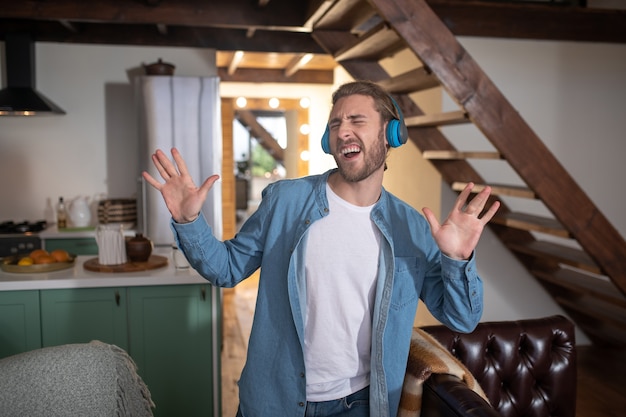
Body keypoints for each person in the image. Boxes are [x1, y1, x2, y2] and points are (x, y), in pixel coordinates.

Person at [143, 80, 500, 417]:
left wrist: (457, 259)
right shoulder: (286, 201)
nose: (343, 130)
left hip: (361, 403)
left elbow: (461, 317)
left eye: (357, 120)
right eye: (335, 124)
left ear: (391, 134)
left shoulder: (412, 227)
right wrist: (189, 221)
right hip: (275, 399)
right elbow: (226, 268)